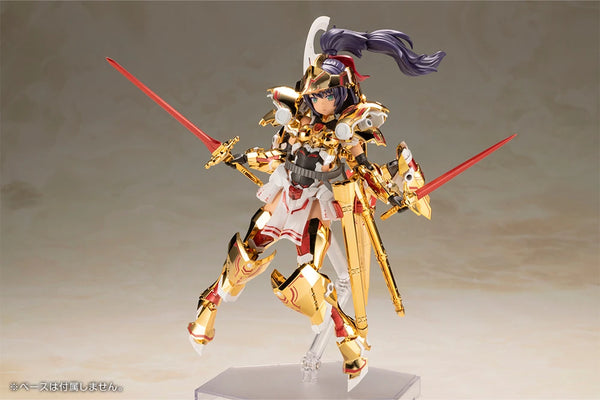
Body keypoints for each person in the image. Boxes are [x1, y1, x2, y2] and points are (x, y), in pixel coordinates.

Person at [188, 21, 444, 387]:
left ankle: (349, 344)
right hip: (283, 198)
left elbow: (364, 171)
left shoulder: (348, 132)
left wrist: (393, 194)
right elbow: (276, 158)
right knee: (246, 253)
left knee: (307, 279)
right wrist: (241, 157)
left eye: (326, 95)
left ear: (341, 95)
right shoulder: (295, 122)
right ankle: (208, 306)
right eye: (314, 95)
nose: (318, 101)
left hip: (311, 207)